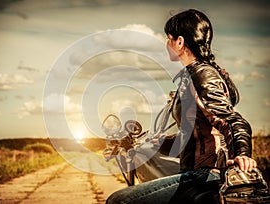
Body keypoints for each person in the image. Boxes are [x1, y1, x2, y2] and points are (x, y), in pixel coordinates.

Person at [106, 9, 257, 204]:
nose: (166, 44)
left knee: (118, 201)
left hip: (206, 175)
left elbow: (233, 121)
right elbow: (198, 137)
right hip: (197, 171)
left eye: (168, 38)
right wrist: (159, 144)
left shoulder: (202, 76)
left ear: (179, 42)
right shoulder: (194, 75)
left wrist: (242, 155)